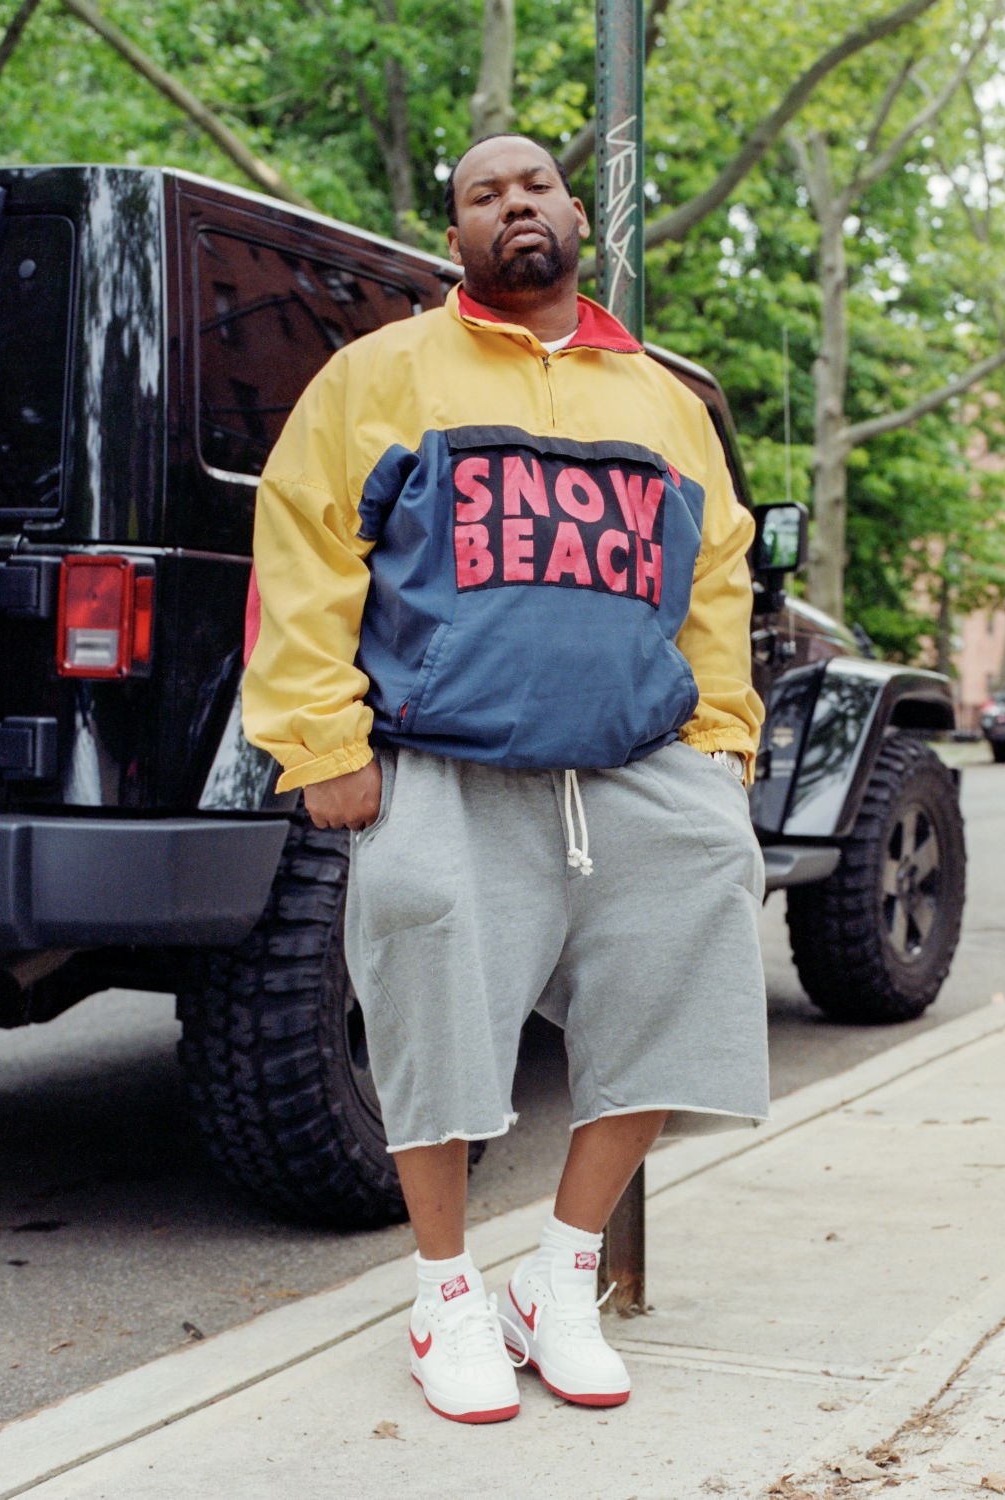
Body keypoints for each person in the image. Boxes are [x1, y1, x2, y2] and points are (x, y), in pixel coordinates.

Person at [242, 133, 769, 1425]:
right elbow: (303, 550)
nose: (512, 205)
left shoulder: (660, 401)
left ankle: (561, 1273)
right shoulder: (380, 377)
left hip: (638, 759)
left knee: (694, 940)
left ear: (576, 215)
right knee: (428, 1006)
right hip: (443, 758)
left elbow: (715, 577)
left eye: (532, 186)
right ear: (458, 234)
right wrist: (322, 742)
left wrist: (725, 737)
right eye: (484, 195)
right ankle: (443, 1294)